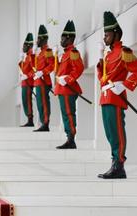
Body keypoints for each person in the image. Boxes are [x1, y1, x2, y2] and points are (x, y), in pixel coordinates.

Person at [96, 11, 137, 179]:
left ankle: (119, 164)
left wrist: (124, 85)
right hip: (105, 97)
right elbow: (102, 79)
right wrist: (100, 62)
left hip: (115, 97)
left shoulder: (123, 52)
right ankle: (114, 162)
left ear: (116, 34)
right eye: (104, 34)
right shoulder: (109, 54)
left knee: (117, 131)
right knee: (110, 133)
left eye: (107, 34)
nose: (105, 38)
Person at [54, 20, 84, 149]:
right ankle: (69, 137)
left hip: (67, 89)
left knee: (69, 113)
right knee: (65, 114)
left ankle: (71, 139)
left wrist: (67, 79)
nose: (61, 41)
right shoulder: (65, 53)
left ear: (70, 38)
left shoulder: (73, 53)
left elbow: (79, 68)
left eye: (63, 38)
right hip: (61, 89)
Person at [33, 24, 54, 132]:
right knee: (40, 104)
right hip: (38, 82)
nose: (36, 41)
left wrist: (43, 72)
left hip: (43, 81)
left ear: (42, 39)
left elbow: (52, 65)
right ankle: (43, 122)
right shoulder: (40, 52)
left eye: (38, 39)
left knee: (44, 103)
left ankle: (45, 123)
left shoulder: (48, 51)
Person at [19, 33, 35, 127]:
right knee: (25, 101)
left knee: (28, 101)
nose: (23, 47)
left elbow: (34, 70)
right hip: (24, 82)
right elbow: (23, 70)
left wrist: (28, 76)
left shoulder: (31, 57)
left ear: (29, 46)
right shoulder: (25, 57)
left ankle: (30, 119)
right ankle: (28, 118)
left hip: (29, 82)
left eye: (25, 46)